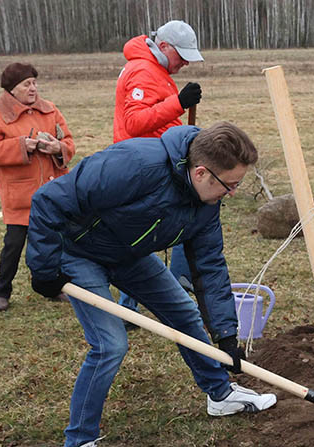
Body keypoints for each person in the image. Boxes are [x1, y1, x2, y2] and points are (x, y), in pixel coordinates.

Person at [26, 122, 276, 447]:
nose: (234, 193)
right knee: (110, 344)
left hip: (129, 254)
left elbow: (208, 265)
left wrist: (224, 333)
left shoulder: (206, 200)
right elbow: (49, 200)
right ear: (202, 172)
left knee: (184, 314)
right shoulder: (134, 164)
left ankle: (219, 393)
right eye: (231, 185)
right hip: (77, 251)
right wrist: (45, 269)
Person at [113, 19, 204, 311]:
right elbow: (135, 123)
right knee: (147, 230)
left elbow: (157, 118)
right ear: (163, 46)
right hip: (141, 164)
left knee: (177, 217)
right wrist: (179, 103)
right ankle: (137, 301)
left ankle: (171, 284)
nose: (185, 64)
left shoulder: (155, 69)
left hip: (155, 159)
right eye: (182, 56)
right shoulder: (142, 70)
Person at [0, 62, 75, 312]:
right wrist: (22, 146)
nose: (33, 88)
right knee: (13, 246)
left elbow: (68, 141)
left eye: (34, 83)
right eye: (26, 84)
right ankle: (2, 292)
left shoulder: (50, 110)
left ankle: (54, 288)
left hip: (52, 192)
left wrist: (58, 148)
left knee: (53, 244)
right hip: (20, 196)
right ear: (12, 90)